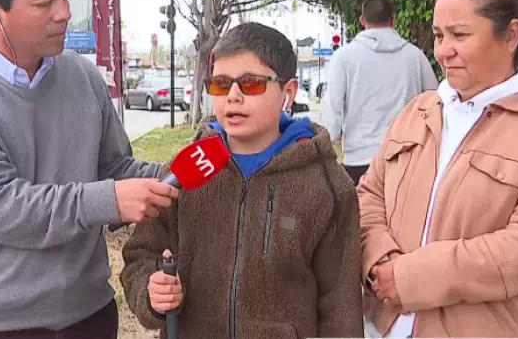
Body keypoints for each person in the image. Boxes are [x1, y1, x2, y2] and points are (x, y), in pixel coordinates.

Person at [0, 0, 179, 338]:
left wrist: (183, 172)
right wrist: (109, 200)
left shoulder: (81, 76)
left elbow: (114, 168)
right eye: (44, 1)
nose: (64, 13)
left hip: (89, 315)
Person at [121, 22, 363, 339]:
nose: (233, 97)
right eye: (221, 84)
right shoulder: (184, 173)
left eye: (250, 84)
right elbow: (140, 256)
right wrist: (151, 291)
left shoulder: (327, 186)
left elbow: (341, 306)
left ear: (288, 92)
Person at [359, 0, 518, 337]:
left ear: (511, 35)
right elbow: (369, 195)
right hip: (385, 325)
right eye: (439, 35)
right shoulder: (419, 111)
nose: (444, 51)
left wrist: (411, 277)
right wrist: (381, 260)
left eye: (460, 35)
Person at [321, 0, 438, 184]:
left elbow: (332, 109)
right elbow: (435, 104)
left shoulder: (344, 57)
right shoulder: (415, 57)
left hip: (359, 159)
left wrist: (328, 145)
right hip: (407, 157)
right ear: (393, 20)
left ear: (362, 20)